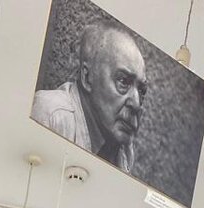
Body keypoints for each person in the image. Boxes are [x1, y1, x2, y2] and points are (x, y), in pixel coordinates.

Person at [32, 18, 146, 173]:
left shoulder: (124, 148)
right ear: (87, 77)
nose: (136, 103)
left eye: (142, 91)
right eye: (123, 81)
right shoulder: (51, 115)